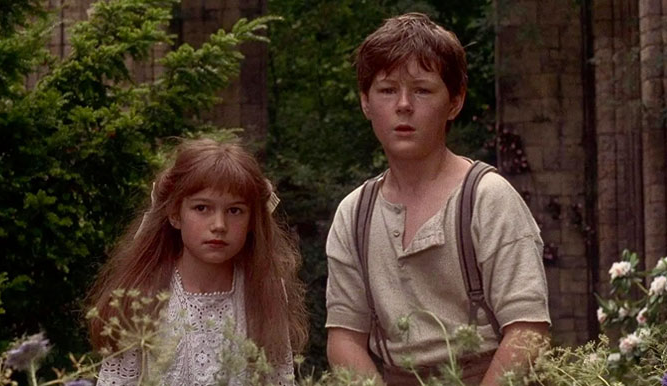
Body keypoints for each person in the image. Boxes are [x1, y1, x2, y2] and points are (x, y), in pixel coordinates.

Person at [325, 13, 551, 385]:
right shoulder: (355, 214)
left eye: (422, 90)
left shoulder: (487, 199)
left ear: (455, 102)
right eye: (386, 90)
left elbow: (527, 330)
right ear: (366, 102)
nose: (403, 105)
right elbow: (344, 337)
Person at [87, 138, 308, 385]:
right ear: (174, 214)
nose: (219, 225)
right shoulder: (142, 293)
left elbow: (279, 379)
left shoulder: (264, 291)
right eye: (202, 208)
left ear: (252, 221)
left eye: (235, 211)